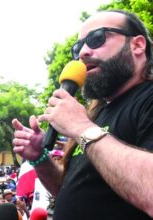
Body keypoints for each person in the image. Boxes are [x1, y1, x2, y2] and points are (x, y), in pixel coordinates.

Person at [12, 9, 153, 219]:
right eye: (78, 47)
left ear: (137, 45)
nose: (83, 52)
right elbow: (72, 191)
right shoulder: (99, 114)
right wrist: (40, 157)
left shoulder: (146, 99)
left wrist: (82, 128)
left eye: (97, 38)